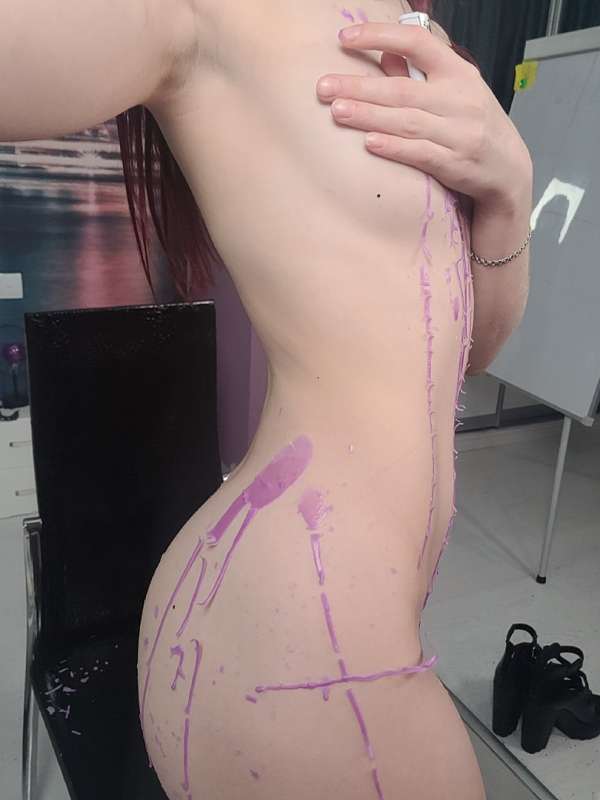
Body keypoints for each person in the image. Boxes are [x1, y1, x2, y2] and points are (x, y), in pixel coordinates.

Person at [2, 0, 533, 797]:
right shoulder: (216, 12)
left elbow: (469, 352)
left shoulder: (410, 27)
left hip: (333, 629)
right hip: (299, 653)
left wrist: (509, 191)